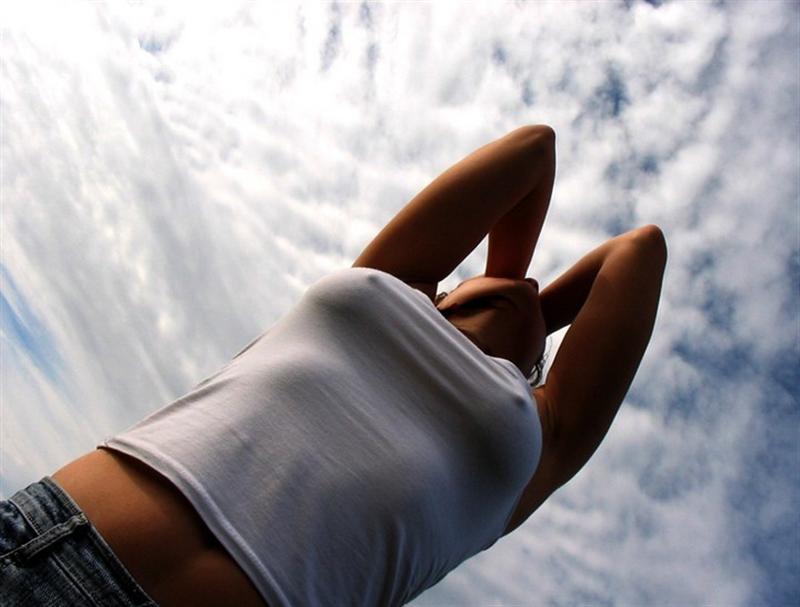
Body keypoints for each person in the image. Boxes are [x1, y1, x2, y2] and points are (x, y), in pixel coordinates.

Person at [1, 124, 667, 606]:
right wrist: (515, 296)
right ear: (443, 293)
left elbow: (638, 251)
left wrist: (521, 316)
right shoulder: (389, 287)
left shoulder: (539, 442)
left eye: (537, 362)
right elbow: (535, 151)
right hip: (42, 542)